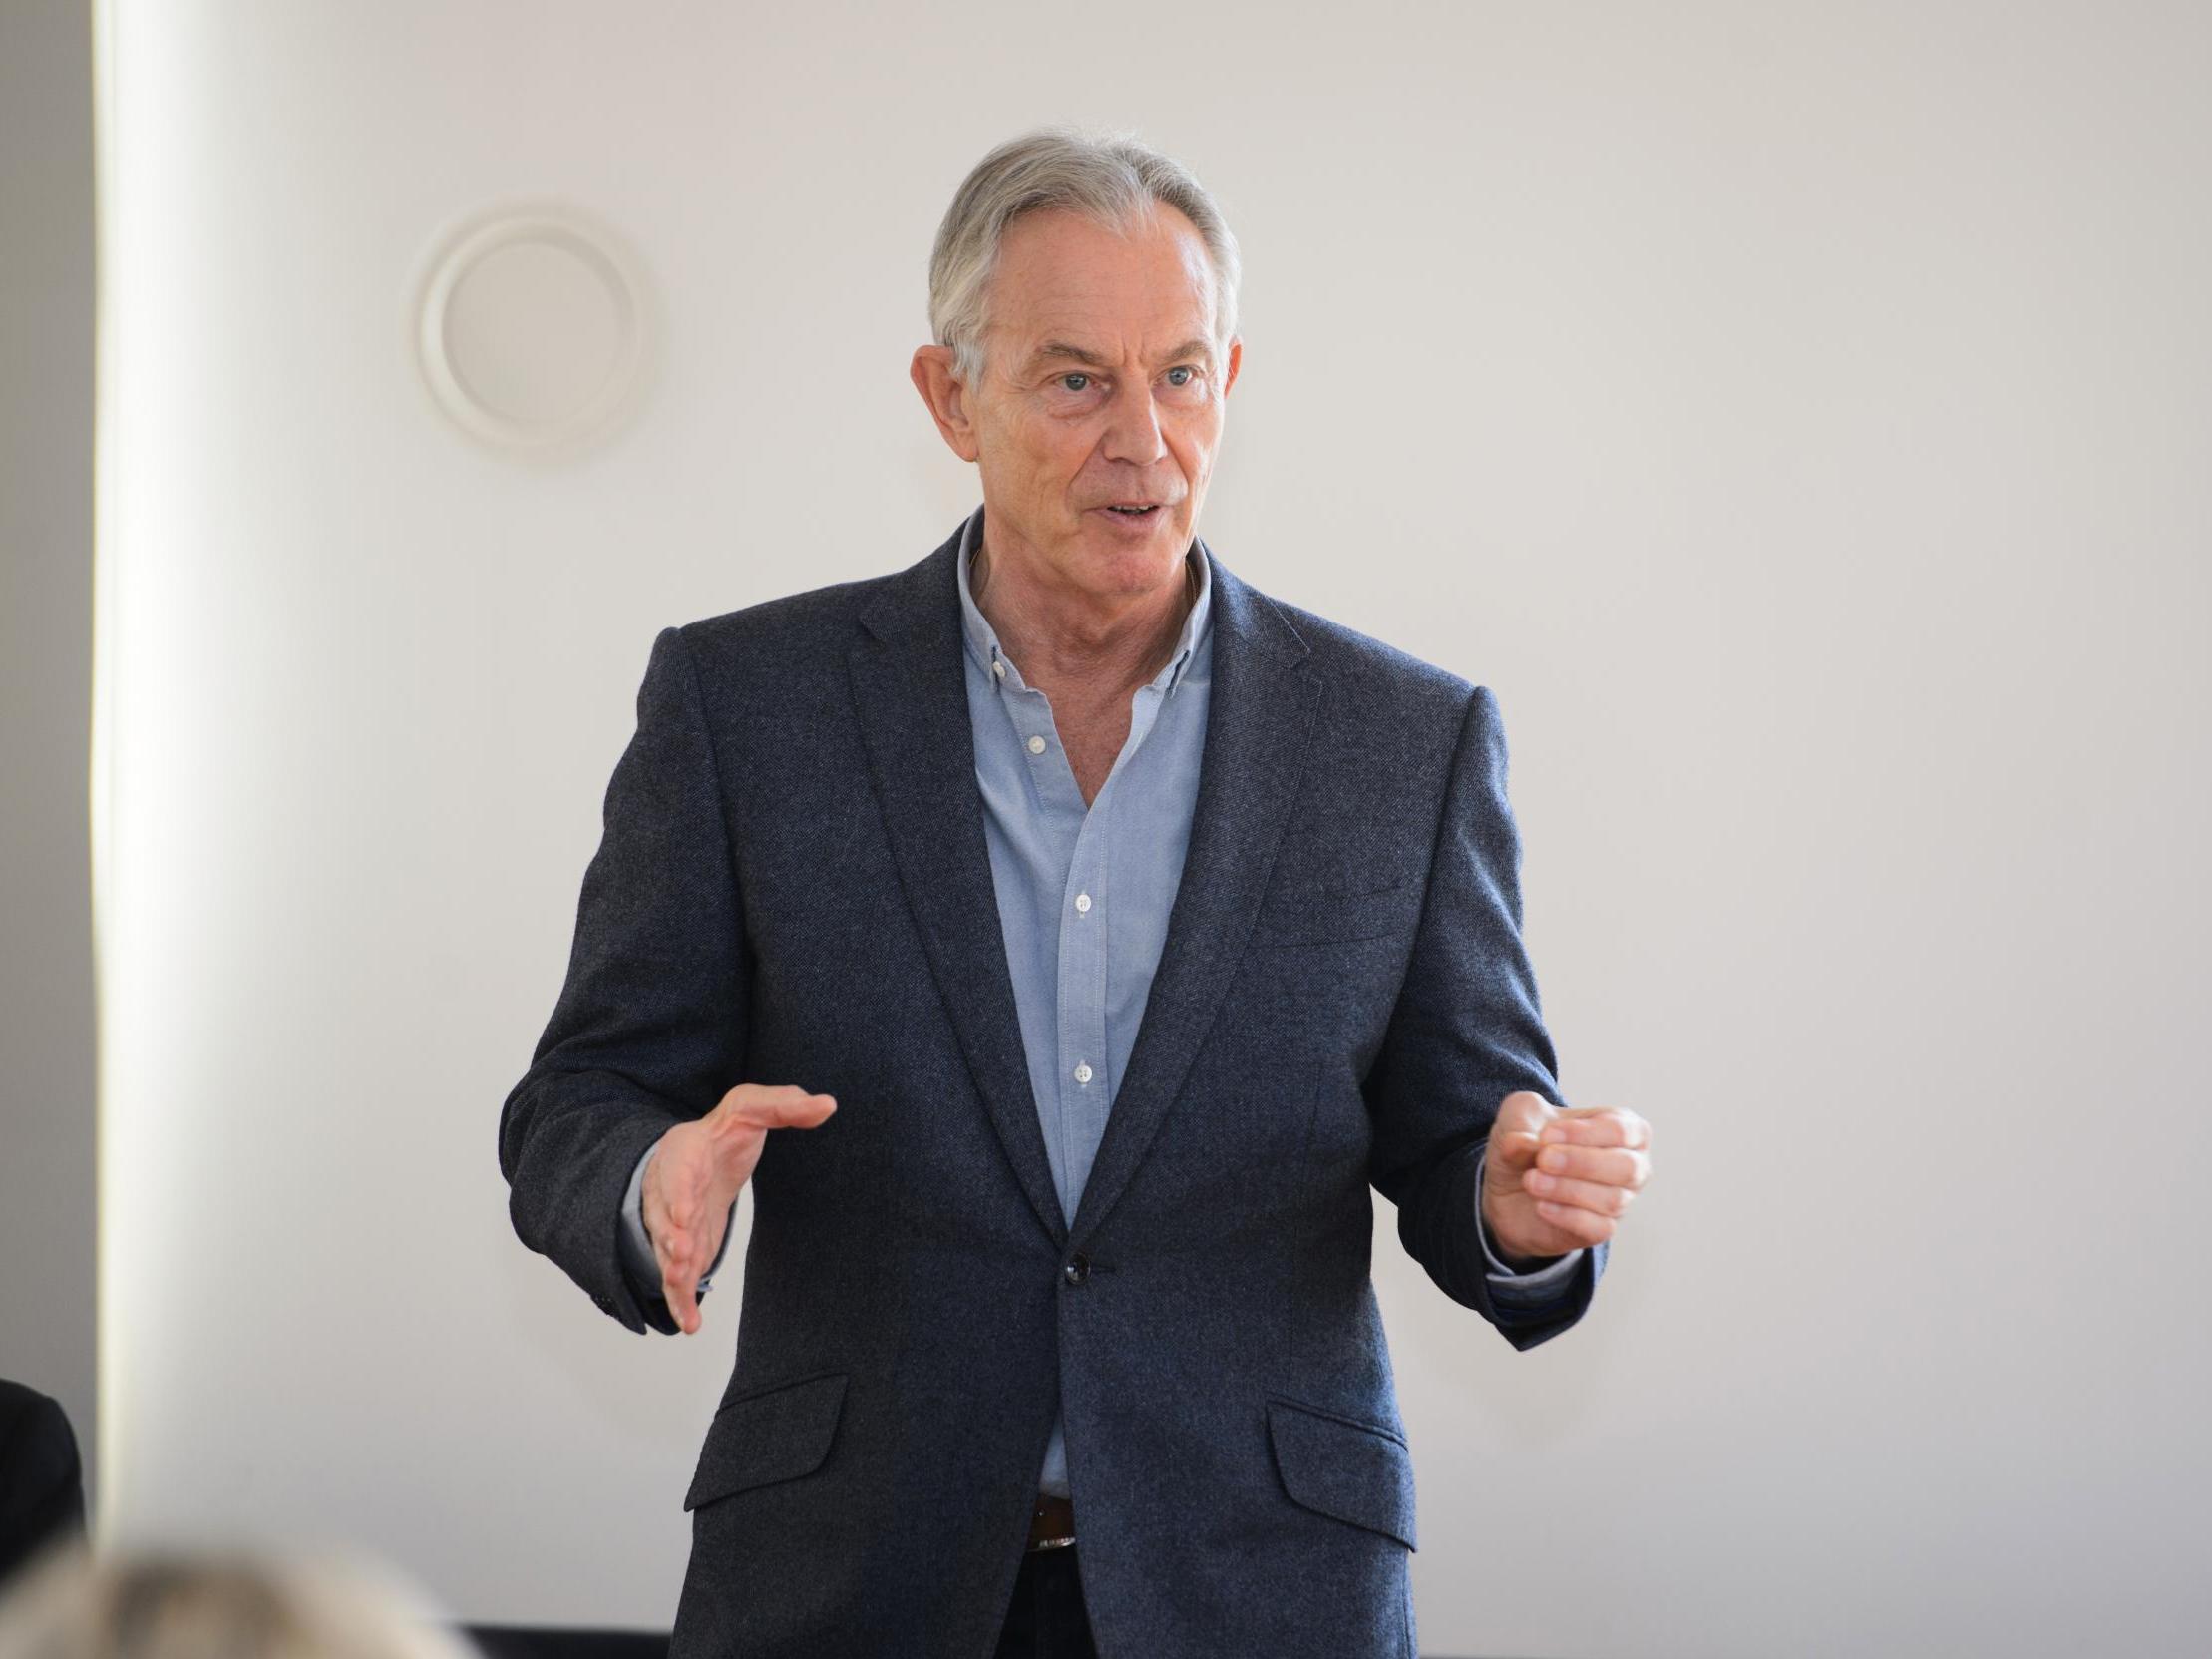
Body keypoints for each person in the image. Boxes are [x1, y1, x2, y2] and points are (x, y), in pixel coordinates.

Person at [498, 125, 1652, 1659]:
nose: (1143, 437)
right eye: (1073, 378)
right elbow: (580, 1098)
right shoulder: (746, 705)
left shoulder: (1400, 741)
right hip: (850, 1582)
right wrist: (655, 1181)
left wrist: (1511, 1205)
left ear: (1228, 384)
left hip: (1259, 1589)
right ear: (949, 395)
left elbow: (1467, 1129)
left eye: (1179, 373)